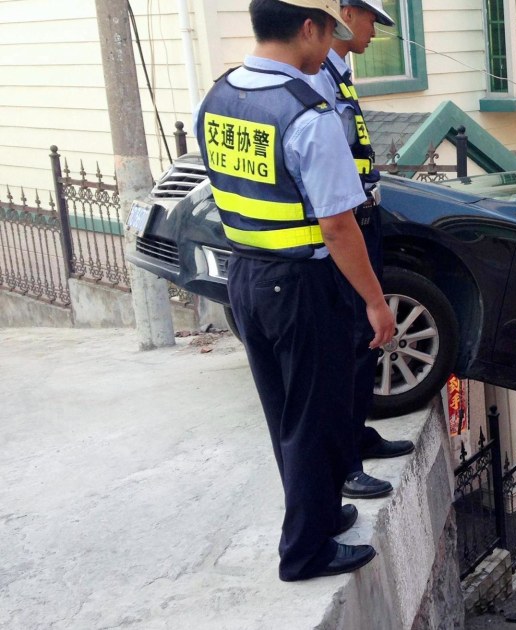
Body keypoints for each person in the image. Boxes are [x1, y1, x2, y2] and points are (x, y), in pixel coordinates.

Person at [194, 0, 395, 581]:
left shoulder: (221, 96)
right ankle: (305, 551)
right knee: (316, 414)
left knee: (285, 409)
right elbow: (339, 224)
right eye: (329, 29)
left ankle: (320, 515)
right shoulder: (307, 114)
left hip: (247, 274)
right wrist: (376, 302)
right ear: (308, 27)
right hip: (302, 284)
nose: (331, 42)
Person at [308, 0, 415, 503]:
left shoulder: (338, 69)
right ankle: (346, 462)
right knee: (353, 341)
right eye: (372, 19)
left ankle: (358, 434)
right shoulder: (316, 76)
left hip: (363, 213)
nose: (375, 32)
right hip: (341, 225)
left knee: (366, 342)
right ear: (346, 13)